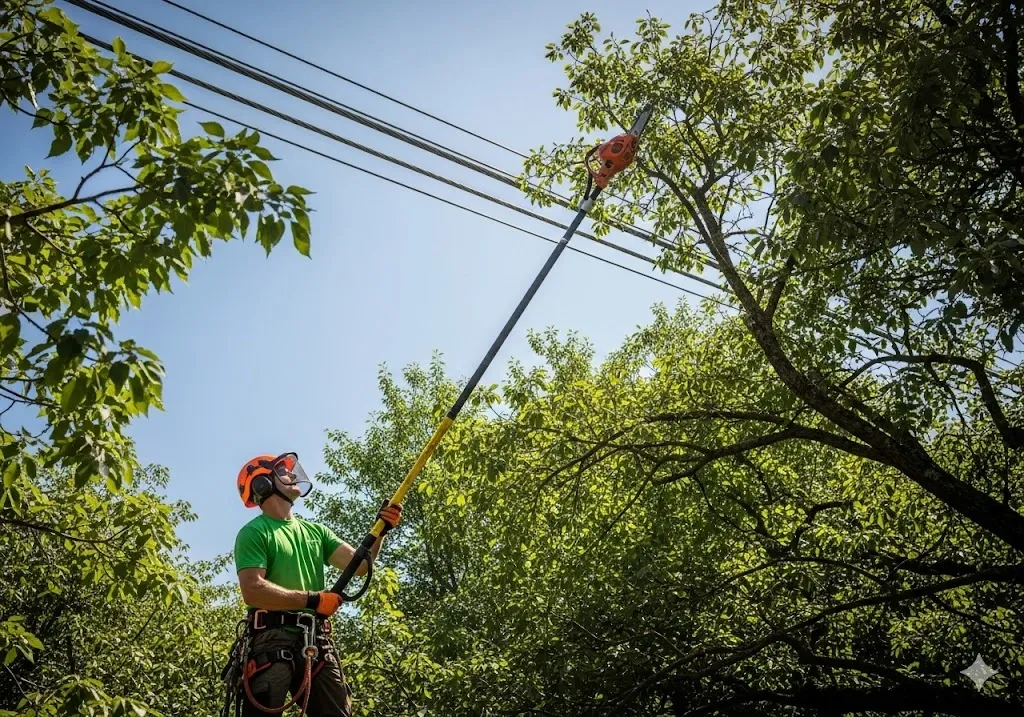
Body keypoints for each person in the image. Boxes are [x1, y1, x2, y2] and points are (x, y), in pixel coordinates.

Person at [232, 452, 401, 717]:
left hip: (315, 639)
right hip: (271, 639)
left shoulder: (316, 532)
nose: (292, 474)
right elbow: (253, 590)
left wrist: (381, 531)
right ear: (262, 484)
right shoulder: (254, 532)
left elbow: (360, 566)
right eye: (283, 471)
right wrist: (314, 600)